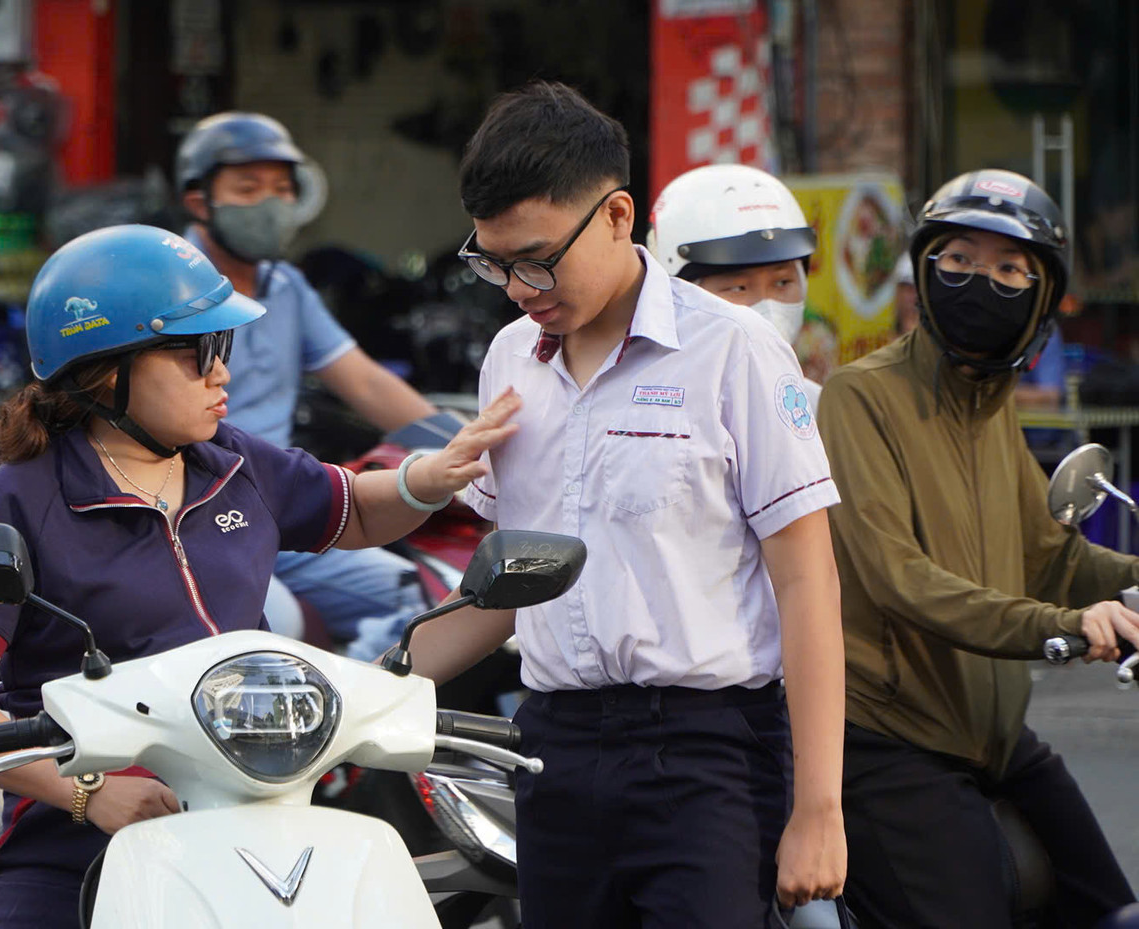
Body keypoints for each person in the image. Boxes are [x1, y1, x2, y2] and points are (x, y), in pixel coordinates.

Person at [0, 224, 518, 929]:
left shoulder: (231, 462)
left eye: (223, 349)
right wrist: (92, 793)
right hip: (73, 846)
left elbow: (354, 512)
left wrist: (430, 477)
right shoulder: (21, 496)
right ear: (110, 367)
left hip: (260, 819)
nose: (222, 373)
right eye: (201, 352)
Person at [407, 81, 847, 927]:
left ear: (616, 215)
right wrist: (367, 685)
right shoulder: (510, 360)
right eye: (493, 263)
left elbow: (807, 582)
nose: (517, 287)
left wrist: (819, 810)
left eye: (537, 259)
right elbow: (509, 586)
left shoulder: (734, 349)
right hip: (553, 752)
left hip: (707, 754)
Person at [816, 169, 1139, 928]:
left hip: (994, 736)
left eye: (1008, 270)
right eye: (957, 260)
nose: (979, 283)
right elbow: (900, 578)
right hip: (892, 741)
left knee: (1111, 909)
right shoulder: (860, 397)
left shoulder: (991, 411)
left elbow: (1051, 558)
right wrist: (1057, 625)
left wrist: (1125, 582)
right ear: (924, 272)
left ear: (1041, 297)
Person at [175, 111, 444, 659]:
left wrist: (463, 445)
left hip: (281, 505)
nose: (271, 204)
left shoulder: (287, 286)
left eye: (281, 188)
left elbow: (366, 382)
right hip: (196, 519)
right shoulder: (168, 284)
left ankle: (352, 715)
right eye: (248, 189)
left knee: (430, 599)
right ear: (200, 202)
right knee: (278, 635)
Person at [648, 163, 822, 408]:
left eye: (782, 283)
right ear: (675, 292)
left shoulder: (821, 411)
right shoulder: (650, 411)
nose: (767, 308)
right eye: (738, 288)